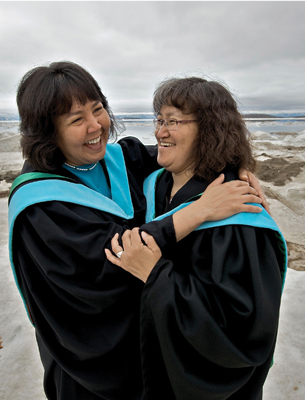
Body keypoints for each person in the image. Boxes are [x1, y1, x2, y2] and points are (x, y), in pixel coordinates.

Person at [8, 62, 267, 400]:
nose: (95, 126)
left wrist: (236, 164)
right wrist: (201, 210)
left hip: (150, 348)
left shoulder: (119, 159)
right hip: (90, 359)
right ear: (47, 133)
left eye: (98, 109)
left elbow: (188, 150)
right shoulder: (41, 207)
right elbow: (118, 257)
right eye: (76, 120)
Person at [106, 77, 287, 400]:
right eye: (159, 120)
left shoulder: (238, 217)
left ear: (211, 129)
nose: (160, 131)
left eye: (174, 121)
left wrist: (156, 275)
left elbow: (242, 333)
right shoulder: (155, 185)